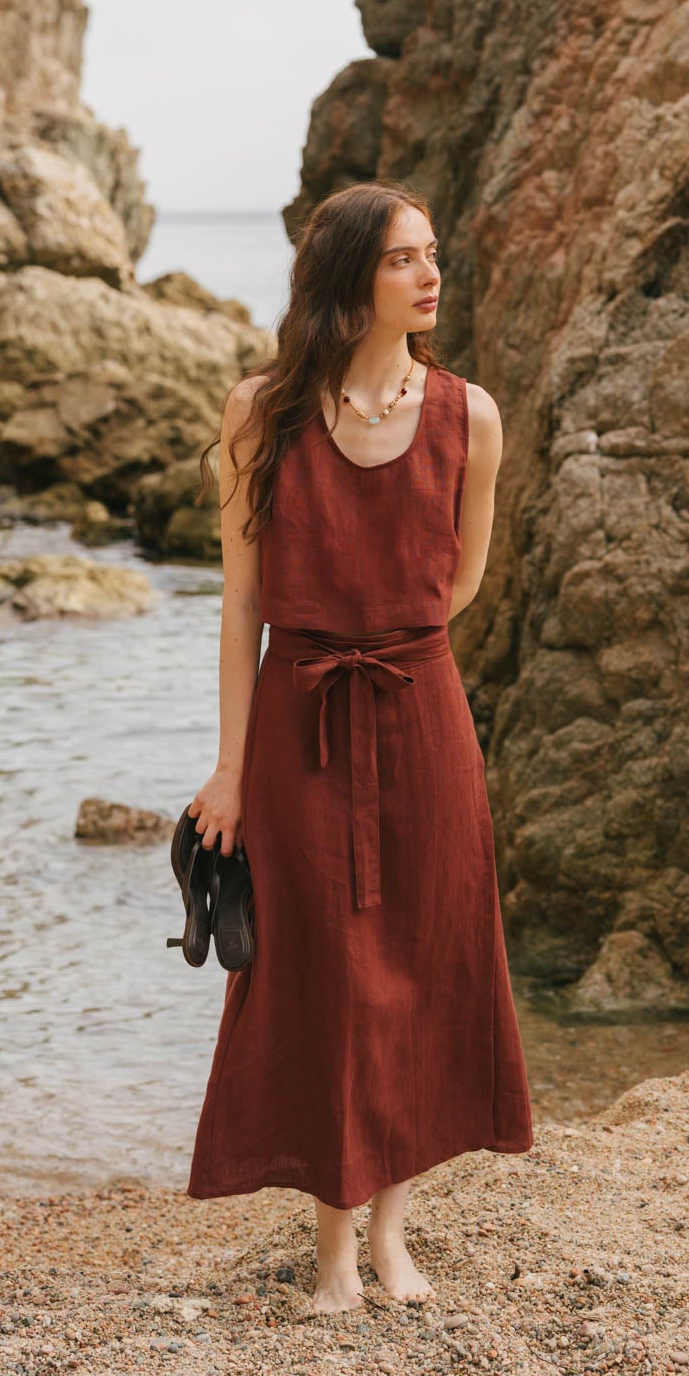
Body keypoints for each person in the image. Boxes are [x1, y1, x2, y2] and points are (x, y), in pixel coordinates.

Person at [184, 178, 534, 1314]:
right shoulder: (262, 413)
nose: (431, 276)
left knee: (427, 968)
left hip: (422, 714)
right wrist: (232, 767)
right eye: (402, 260)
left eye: (432, 255)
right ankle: (332, 1250)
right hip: (298, 720)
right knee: (323, 973)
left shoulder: (469, 416)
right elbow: (242, 604)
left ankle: (392, 1237)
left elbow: (462, 579)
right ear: (349, 278)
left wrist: (398, 640)